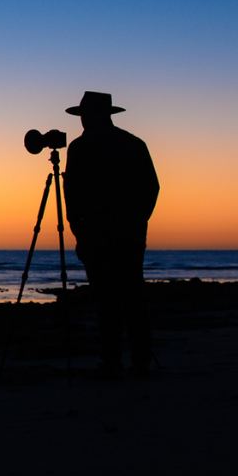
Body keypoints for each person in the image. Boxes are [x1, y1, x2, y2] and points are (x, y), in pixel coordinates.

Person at [62, 91, 160, 378]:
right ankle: (140, 361)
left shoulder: (80, 147)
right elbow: (152, 187)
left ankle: (112, 361)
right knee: (133, 297)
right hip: (129, 233)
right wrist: (138, 221)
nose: (82, 120)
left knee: (106, 300)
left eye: (84, 115)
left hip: (96, 233)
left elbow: (72, 196)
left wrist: (79, 231)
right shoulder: (134, 144)